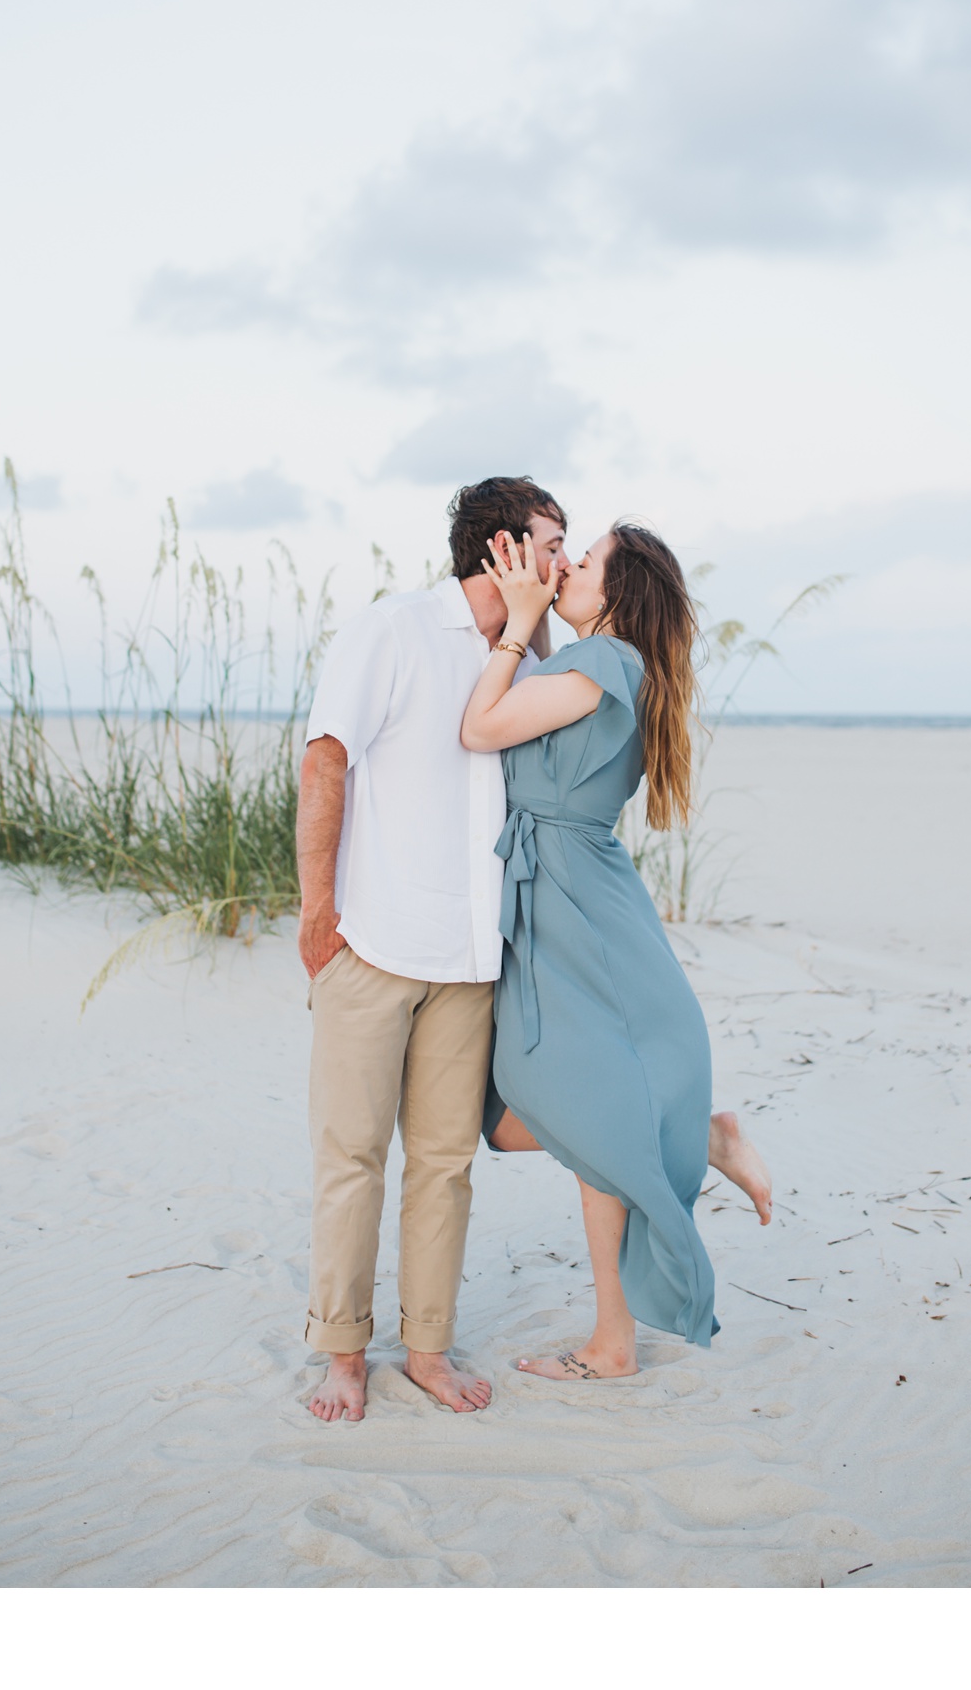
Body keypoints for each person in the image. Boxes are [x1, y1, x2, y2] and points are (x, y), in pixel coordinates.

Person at [460, 523, 772, 1379]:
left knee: (560, 1114)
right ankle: (695, 1137)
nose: (565, 567)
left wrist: (520, 622)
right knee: (508, 1120)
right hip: (568, 901)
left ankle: (611, 1343)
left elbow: (480, 728)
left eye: (583, 561)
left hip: (576, 911)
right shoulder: (605, 666)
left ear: (619, 592)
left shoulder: (600, 666)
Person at [297, 475, 567, 1423]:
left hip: (470, 959)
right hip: (370, 943)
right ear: (500, 548)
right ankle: (340, 1353)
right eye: (551, 540)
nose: (564, 561)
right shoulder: (394, 628)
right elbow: (325, 757)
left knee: (445, 1165)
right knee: (351, 1157)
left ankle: (425, 1348)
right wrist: (317, 913)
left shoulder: (532, 658)